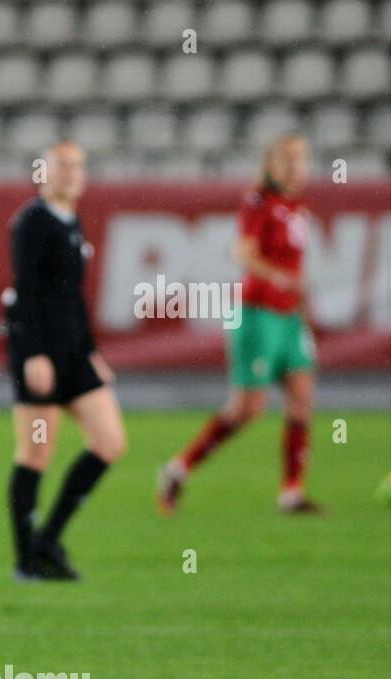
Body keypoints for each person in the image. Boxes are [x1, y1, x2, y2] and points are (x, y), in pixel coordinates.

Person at [157, 133, 322, 514]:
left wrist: (300, 300)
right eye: (287, 159)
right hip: (253, 313)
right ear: (270, 165)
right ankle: (178, 469)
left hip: (287, 316)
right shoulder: (257, 202)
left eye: (301, 159)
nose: (295, 166)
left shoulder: (296, 205)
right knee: (249, 408)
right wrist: (276, 276)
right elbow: (242, 252)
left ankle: (291, 493)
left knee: (301, 397)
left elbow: (297, 266)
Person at [3, 141, 126, 582]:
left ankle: (48, 539)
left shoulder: (72, 221)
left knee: (110, 442)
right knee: (36, 452)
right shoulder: (32, 221)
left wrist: (91, 349)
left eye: (79, 165)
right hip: (38, 350)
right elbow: (27, 293)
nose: (73, 172)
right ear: (43, 173)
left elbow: (72, 296)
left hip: (74, 352)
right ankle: (26, 560)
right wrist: (35, 353)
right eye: (63, 165)